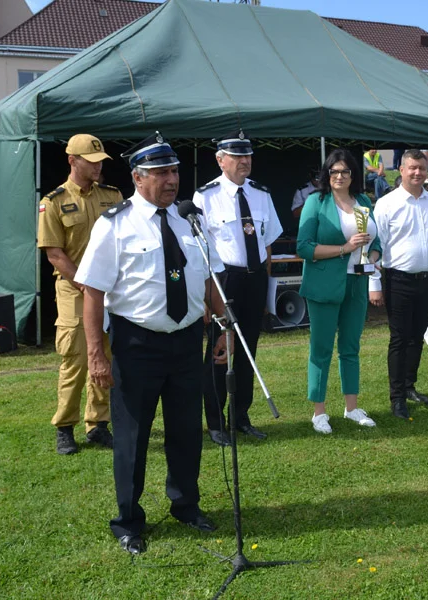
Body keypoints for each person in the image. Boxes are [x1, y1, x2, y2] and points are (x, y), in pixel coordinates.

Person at [76, 132, 229, 555]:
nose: (171, 180)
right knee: (132, 436)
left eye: (175, 171)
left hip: (184, 342)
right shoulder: (116, 224)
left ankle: (186, 505)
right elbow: (92, 291)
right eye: (161, 173)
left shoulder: (190, 220)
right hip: (137, 344)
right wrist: (95, 353)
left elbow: (209, 278)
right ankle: (128, 520)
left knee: (185, 431)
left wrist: (224, 327)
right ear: (138, 178)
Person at [193, 129, 283, 446]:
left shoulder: (261, 194)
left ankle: (240, 416)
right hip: (223, 279)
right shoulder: (205, 197)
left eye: (247, 155)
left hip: (254, 277)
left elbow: (267, 243)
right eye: (237, 155)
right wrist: (206, 297)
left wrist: (265, 283)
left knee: (248, 350)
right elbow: (199, 250)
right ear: (220, 159)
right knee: (220, 350)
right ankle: (215, 422)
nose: (244, 161)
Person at [37, 134, 122, 455]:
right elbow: (55, 254)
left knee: (107, 354)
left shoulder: (113, 196)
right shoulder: (54, 202)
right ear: (73, 160)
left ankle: (98, 424)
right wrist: (88, 285)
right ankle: (65, 426)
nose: (99, 167)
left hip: (110, 290)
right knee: (76, 358)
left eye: (101, 162)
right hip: (74, 290)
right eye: (92, 161)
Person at [296, 149, 382, 434]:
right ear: (327, 174)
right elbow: (304, 247)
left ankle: (352, 407)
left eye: (345, 171)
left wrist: (373, 256)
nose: (340, 176)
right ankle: (318, 412)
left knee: (351, 347)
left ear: (353, 175)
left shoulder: (364, 201)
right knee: (320, 350)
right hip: (324, 285)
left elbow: (375, 241)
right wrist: (344, 249)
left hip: (357, 282)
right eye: (334, 171)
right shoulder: (315, 202)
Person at [373, 150, 428, 418]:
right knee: (399, 338)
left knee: (417, 337)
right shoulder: (386, 204)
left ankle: (410, 387)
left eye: (422, 168)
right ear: (400, 170)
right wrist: (374, 282)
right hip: (398, 279)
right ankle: (397, 397)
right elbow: (376, 247)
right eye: (412, 168)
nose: (417, 173)